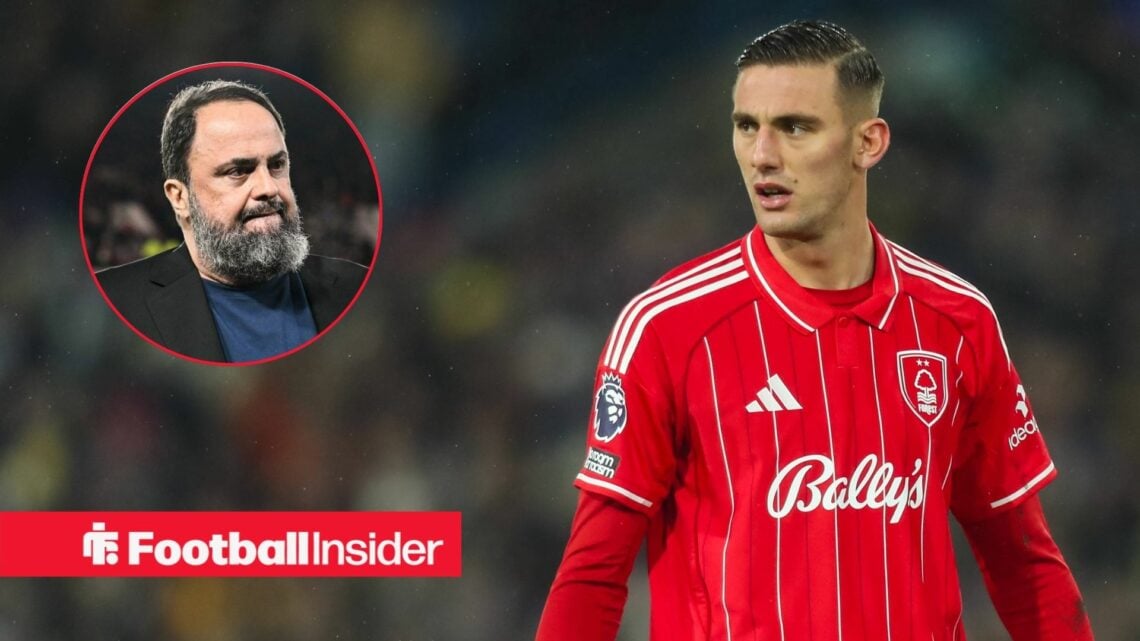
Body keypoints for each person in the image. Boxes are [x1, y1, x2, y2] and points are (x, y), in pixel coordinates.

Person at [536, 20, 1094, 641]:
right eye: (746, 126)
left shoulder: (957, 321)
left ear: (869, 142)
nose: (762, 155)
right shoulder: (667, 327)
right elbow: (593, 574)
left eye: (795, 127)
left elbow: (1023, 560)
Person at [95, 79, 367, 363]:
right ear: (179, 197)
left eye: (276, 165)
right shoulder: (116, 302)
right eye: (238, 171)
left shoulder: (356, 288)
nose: (268, 188)